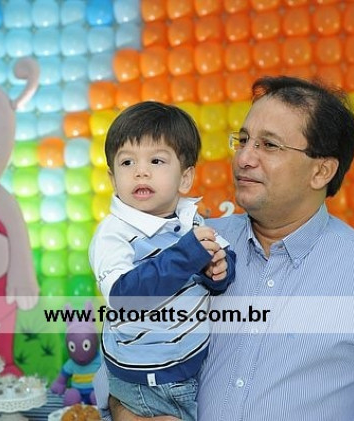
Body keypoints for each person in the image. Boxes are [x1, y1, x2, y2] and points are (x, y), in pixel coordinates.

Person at [94, 76, 354, 420]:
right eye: (243, 140)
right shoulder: (197, 244)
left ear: (321, 171)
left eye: (269, 145)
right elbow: (121, 356)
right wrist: (129, 413)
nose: (244, 158)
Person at [89, 101, 236, 421]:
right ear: (113, 180)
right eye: (127, 162)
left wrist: (218, 269)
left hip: (189, 366)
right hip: (145, 379)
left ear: (185, 178)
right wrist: (187, 256)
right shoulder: (114, 234)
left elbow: (221, 256)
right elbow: (125, 297)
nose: (140, 171)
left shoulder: (189, 217)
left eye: (156, 160)